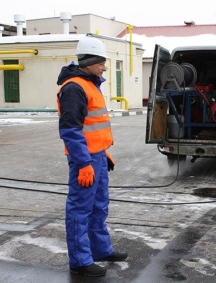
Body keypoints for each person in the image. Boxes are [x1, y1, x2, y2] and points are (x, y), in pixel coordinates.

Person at [56, 36, 127, 277]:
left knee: (99, 207)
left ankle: (100, 249)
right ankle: (80, 261)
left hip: (96, 157)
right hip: (84, 161)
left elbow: (91, 126)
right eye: (102, 62)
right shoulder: (74, 88)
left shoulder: (89, 84)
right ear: (90, 61)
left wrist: (102, 152)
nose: (104, 67)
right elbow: (70, 130)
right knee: (80, 209)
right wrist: (84, 163)